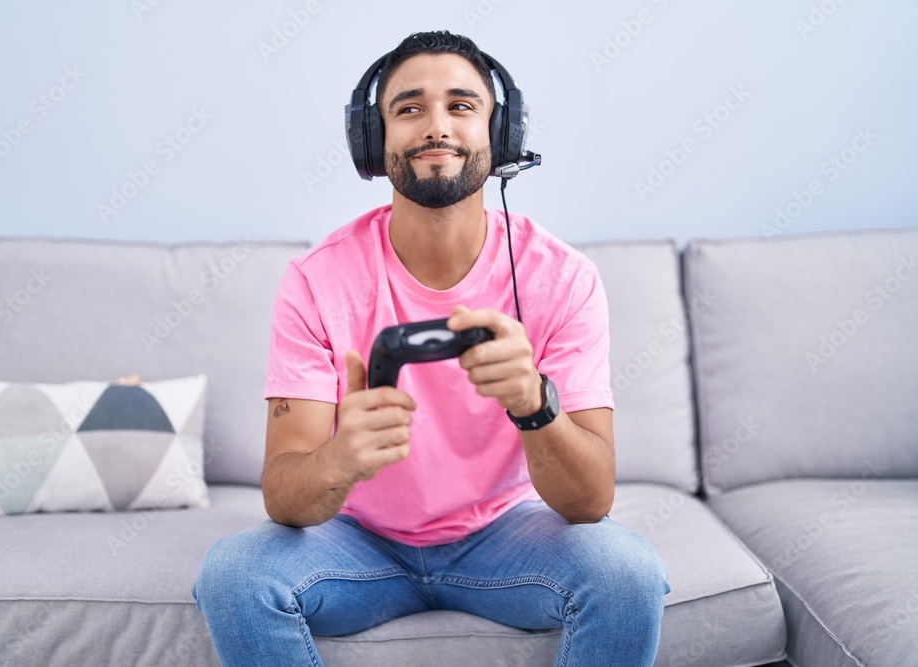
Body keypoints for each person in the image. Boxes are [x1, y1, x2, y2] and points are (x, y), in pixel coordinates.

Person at [192, 30, 670, 666]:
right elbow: (284, 496)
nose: (435, 127)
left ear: (501, 133)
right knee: (232, 574)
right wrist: (341, 458)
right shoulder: (317, 280)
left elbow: (591, 502)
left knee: (626, 571)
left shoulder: (562, 277)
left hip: (505, 536)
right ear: (374, 139)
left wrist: (534, 404)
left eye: (462, 106)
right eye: (409, 108)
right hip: (359, 542)